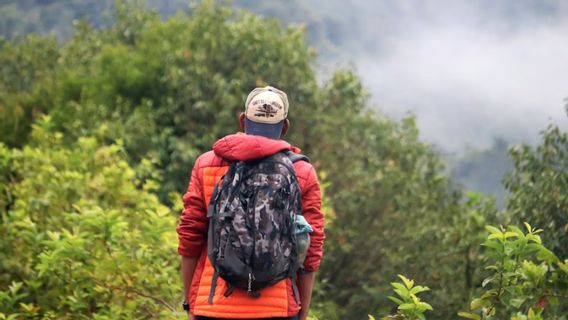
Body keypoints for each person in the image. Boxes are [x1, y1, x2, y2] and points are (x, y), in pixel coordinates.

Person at [177, 86, 325, 320]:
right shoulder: (301, 172)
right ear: (284, 127)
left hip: (212, 306)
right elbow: (310, 248)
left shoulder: (206, 165)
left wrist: (190, 303)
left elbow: (190, 237)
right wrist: (302, 311)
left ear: (243, 120)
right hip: (277, 310)